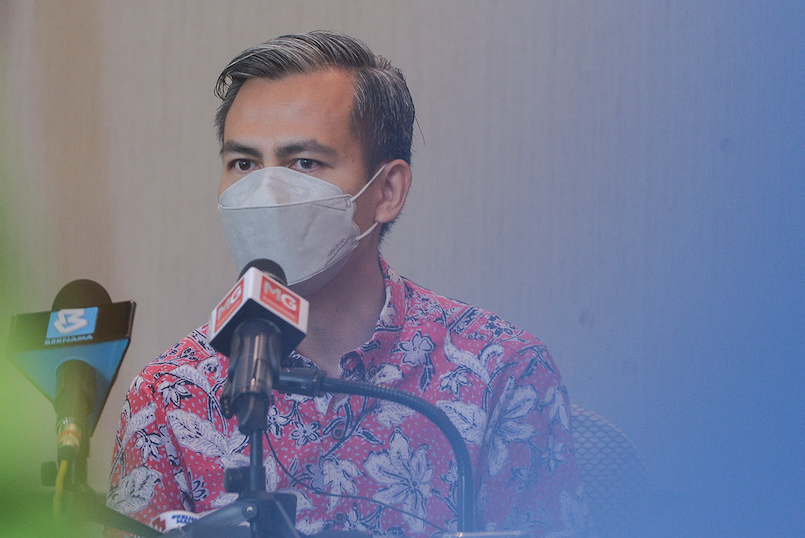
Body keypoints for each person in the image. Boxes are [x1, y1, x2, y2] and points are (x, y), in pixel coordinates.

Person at [107, 31, 591, 536]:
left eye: (304, 163)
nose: (267, 194)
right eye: (244, 164)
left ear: (387, 190)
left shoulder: (499, 375)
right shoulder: (170, 395)